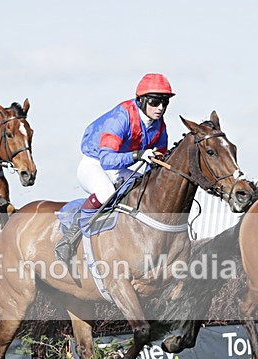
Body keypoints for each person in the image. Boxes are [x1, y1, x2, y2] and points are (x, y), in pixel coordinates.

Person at [54, 73, 174, 263]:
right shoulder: (121, 117)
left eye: (164, 102)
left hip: (120, 166)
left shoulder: (159, 126)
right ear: (141, 100)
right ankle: (68, 238)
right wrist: (138, 155)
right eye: (154, 101)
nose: (160, 108)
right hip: (94, 163)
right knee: (105, 193)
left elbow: (160, 157)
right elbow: (107, 160)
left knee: (141, 191)